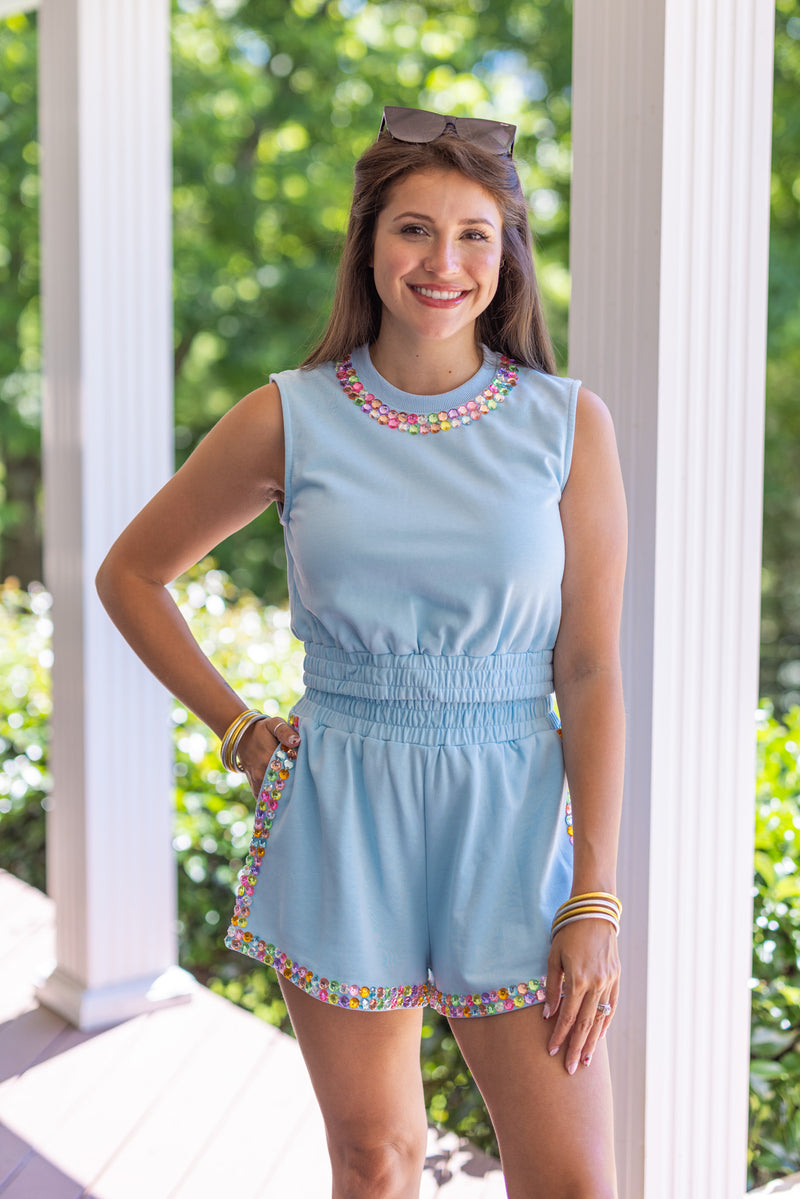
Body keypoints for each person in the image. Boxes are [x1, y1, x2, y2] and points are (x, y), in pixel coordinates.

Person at [96, 104, 627, 1199]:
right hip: (340, 800)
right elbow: (131, 574)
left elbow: (587, 667)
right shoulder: (287, 417)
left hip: (514, 813)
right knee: (372, 1158)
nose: (443, 261)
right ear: (368, 244)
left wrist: (595, 898)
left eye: (473, 233)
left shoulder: (565, 424)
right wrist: (238, 728)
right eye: (412, 230)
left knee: (572, 1180)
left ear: (507, 253)